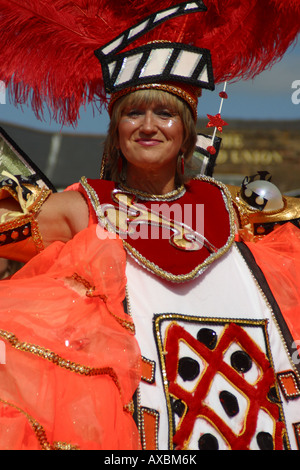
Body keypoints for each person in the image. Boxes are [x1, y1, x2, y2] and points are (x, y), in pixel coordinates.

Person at [0, 0, 300, 451]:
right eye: (133, 113)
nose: (148, 126)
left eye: (165, 114)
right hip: (138, 429)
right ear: (116, 129)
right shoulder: (86, 206)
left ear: (185, 131)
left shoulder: (230, 209)